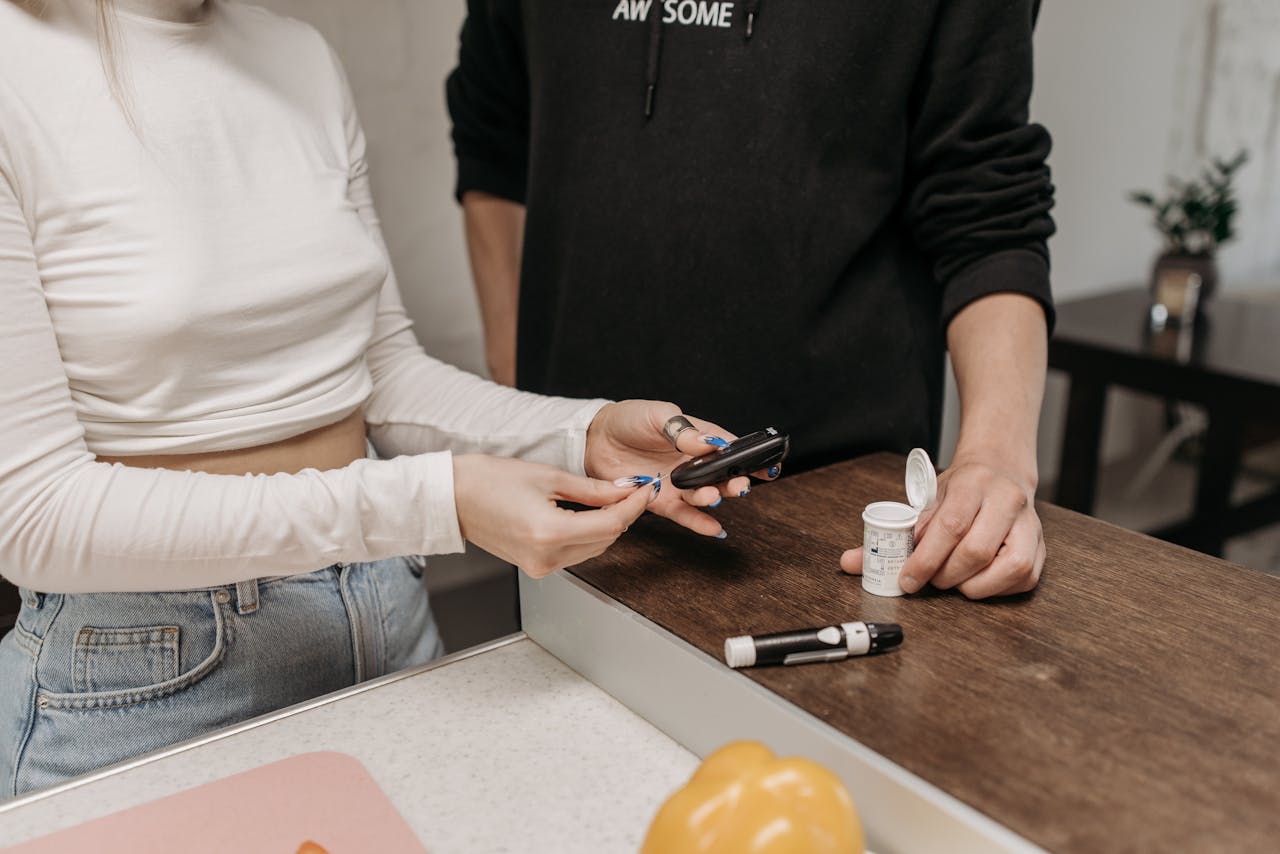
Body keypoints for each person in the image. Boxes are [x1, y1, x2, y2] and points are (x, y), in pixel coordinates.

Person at [0, 0, 750, 797]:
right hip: (144, 672)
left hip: (383, 609)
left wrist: (579, 433)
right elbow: (36, 516)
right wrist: (433, 501)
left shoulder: (296, 56)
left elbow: (382, 378)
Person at [448, 0, 1054, 600]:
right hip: (576, 470)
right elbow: (492, 143)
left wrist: (997, 458)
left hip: (837, 500)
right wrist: (520, 401)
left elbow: (987, 203)